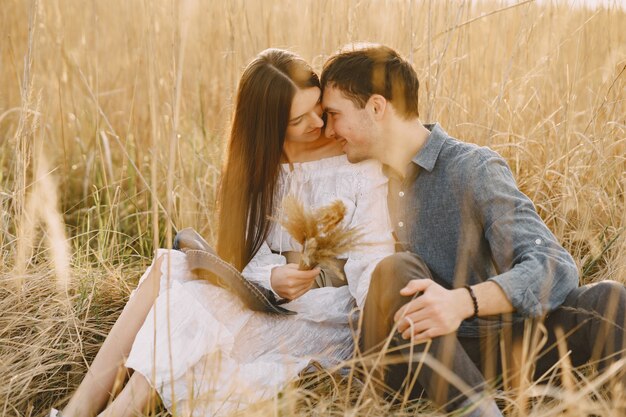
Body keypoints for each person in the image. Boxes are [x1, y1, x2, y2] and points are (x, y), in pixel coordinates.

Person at [55, 48, 394, 417]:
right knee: (166, 268)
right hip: (263, 295)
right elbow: (243, 253)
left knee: (192, 309)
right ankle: (78, 409)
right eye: (299, 119)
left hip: (325, 310)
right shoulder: (259, 164)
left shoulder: (354, 155)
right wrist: (273, 276)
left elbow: (372, 256)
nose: (318, 123)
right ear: (270, 127)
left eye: (320, 108)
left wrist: (380, 335)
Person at [320, 44, 626, 416]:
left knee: (610, 299)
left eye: (334, 114)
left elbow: (552, 266)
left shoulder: (471, 169)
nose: (328, 129)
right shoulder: (355, 182)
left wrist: (461, 302)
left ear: (377, 107)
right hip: (403, 363)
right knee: (397, 270)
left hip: (493, 350)